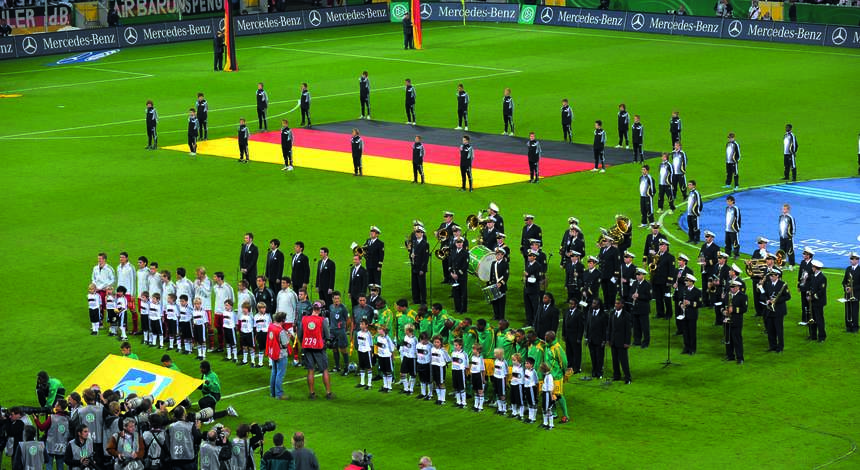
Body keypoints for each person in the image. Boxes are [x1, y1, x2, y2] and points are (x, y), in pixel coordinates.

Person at [299, 303, 334, 400]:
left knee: (310, 370)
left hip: (307, 346)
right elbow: (327, 335)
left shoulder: (304, 319)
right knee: (324, 369)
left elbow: (300, 334)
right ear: (320, 310)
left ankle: (312, 393)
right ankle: (328, 393)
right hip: (319, 347)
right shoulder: (323, 320)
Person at [760, 268, 790, 352]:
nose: (771, 277)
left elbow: (788, 296)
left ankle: (780, 347)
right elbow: (763, 295)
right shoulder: (767, 284)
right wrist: (766, 300)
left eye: (773, 276)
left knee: (778, 329)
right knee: (770, 329)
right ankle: (772, 346)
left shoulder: (782, 284)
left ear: (777, 276)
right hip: (769, 310)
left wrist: (776, 301)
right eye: (770, 276)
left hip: (779, 310)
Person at [607, 298, 632, 384]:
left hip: (622, 342)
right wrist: (609, 339)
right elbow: (609, 328)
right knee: (614, 360)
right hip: (613, 341)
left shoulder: (626, 315)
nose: (616, 305)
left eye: (618, 304)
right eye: (615, 303)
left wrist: (627, 342)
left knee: (624, 361)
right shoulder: (612, 314)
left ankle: (627, 377)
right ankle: (616, 375)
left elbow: (628, 330)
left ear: (622, 305)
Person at [724, 279, 747, 364]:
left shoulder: (742, 296)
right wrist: (723, 311)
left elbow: (744, 309)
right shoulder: (727, 295)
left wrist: (733, 310)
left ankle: (740, 358)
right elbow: (723, 306)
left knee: (737, 340)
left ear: (738, 287)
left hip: (736, 321)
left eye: (734, 287)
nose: (732, 289)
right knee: (728, 339)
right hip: (727, 320)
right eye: (731, 287)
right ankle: (730, 356)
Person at [328, 292, 350, 373]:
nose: (337, 300)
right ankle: (337, 366)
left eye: (338, 298)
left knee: (343, 349)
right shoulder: (331, 307)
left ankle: (346, 367)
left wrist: (345, 329)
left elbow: (348, 320)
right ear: (332, 299)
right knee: (334, 348)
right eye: (335, 298)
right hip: (333, 331)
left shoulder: (343, 308)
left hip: (341, 331)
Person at [807, 260, 827, 342]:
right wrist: (808, 294)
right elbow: (810, 287)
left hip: (818, 302)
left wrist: (812, 297)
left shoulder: (822, 278)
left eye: (813, 267)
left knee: (819, 319)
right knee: (812, 318)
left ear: (816, 268)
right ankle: (813, 335)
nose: (812, 268)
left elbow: (821, 291)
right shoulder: (813, 276)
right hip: (812, 301)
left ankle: (822, 336)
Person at [410, 227, 429, 305]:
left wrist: (422, 269)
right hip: (414, 266)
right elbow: (411, 253)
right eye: (416, 232)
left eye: (418, 232)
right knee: (414, 284)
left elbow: (425, 258)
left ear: (422, 233)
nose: (416, 233)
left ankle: (423, 301)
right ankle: (416, 299)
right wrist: (411, 256)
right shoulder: (414, 242)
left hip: (421, 267)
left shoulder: (425, 244)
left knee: (422, 285)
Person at [843, 253, 860, 333]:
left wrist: (852, 289)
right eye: (850, 259)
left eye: (852, 259)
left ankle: (855, 327)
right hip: (847, 294)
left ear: (857, 260)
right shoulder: (848, 269)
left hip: (856, 294)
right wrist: (846, 287)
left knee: (855, 311)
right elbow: (844, 281)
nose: (851, 260)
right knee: (848, 311)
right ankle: (848, 326)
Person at [778, 204, 796, 269]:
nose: (783, 210)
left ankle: (791, 264)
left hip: (788, 237)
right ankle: (781, 264)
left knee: (790, 251)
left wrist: (791, 235)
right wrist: (780, 233)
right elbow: (780, 225)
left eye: (785, 209)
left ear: (788, 210)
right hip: (782, 237)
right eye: (783, 209)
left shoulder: (790, 217)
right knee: (782, 251)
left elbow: (793, 226)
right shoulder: (780, 217)